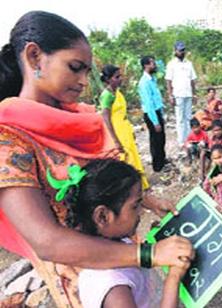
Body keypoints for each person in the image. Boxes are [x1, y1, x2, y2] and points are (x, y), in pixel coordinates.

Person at [0, 11, 194, 307]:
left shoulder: (79, 118)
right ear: (35, 57)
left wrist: (147, 199)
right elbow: (46, 240)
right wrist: (149, 255)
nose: (83, 82)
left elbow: (104, 180)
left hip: (119, 249)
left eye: (87, 72)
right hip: (84, 276)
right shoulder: (9, 140)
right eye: (75, 68)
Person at [58, 159, 189, 308]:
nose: (141, 211)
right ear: (102, 216)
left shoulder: (116, 242)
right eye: (135, 205)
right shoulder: (113, 288)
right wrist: (174, 278)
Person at [99, 64, 149, 189]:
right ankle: (130, 188)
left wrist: (130, 130)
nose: (120, 79)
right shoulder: (107, 96)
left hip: (125, 129)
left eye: (120, 76)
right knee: (126, 159)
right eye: (117, 77)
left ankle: (140, 185)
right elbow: (106, 118)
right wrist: (115, 140)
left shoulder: (117, 93)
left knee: (133, 156)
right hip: (117, 131)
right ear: (108, 79)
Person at [138, 56, 167, 172]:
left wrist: (161, 115)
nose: (154, 65)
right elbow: (148, 103)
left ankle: (162, 160)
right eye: (152, 63)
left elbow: (156, 99)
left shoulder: (152, 79)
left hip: (157, 112)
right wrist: (155, 121)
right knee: (155, 139)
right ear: (146, 65)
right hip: (151, 114)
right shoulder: (144, 83)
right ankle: (157, 166)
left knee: (161, 138)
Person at [166, 41, 197, 147]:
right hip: (178, 95)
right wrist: (170, 95)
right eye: (180, 50)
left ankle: (189, 139)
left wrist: (194, 94)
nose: (182, 52)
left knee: (188, 117)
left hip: (188, 93)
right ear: (175, 51)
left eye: (183, 50)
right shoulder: (171, 64)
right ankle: (181, 141)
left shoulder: (189, 64)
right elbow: (168, 81)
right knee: (180, 119)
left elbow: (192, 80)